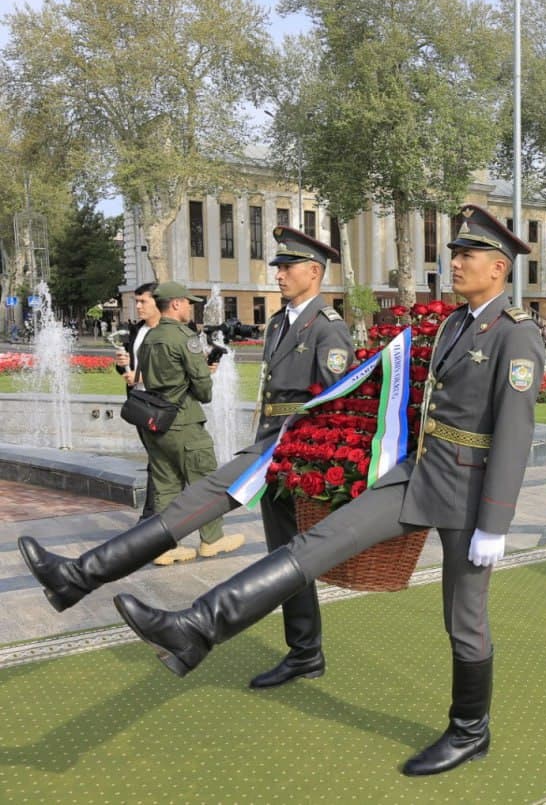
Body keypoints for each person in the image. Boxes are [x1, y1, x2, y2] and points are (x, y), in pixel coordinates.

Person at [56, 206, 539, 778]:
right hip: (419, 473)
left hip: (470, 490)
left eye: (466, 256)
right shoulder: (456, 323)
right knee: (314, 545)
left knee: (464, 619)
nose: (454, 263)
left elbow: (515, 432)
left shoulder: (516, 333)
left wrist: (495, 523)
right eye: (454, 254)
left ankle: (470, 730)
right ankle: (196, 627)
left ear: (498, 267)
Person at [19, 225, 353, 691]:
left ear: (314, 272)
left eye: (287, 267)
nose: (277, 274)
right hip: (272, 446)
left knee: (204, 502)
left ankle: (77, 575)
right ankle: (305, 652)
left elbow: (336, 403)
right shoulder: (281, 322)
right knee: (282, 555)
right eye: (277, 267)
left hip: (294, 452)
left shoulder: (328, 327)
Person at [137, 282, 245, 564]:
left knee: (165, 485)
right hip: (184, 421)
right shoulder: (185, 337)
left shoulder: (149, 336)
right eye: (187, 302)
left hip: (156, 420)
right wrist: (206, 374)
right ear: (175, 304)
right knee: (205, 480)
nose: (190, 307)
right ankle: (212, 539)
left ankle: (164, 547)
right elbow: (203, 390)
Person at [115, 282, 161, 521]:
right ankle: (155, 517)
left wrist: (141, 376)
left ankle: (150, 517)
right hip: (139, 403)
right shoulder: (137, 331)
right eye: (137, 302)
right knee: (156, 458)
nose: (139, 307)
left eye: (143, 301)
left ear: (157, 302)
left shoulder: (168, 332)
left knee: (159, 460)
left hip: (163, 405)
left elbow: (173, 370)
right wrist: (122, 364)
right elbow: (129, 369)